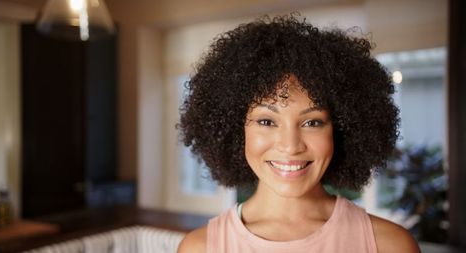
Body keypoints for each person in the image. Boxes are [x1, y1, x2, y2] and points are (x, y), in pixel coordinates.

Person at [177, 15, 420, 253]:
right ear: (235, 130)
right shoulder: (200, 248)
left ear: (342, 130)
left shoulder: (390, 246)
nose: (291, 146)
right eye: (266, 121)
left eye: (312, 122)